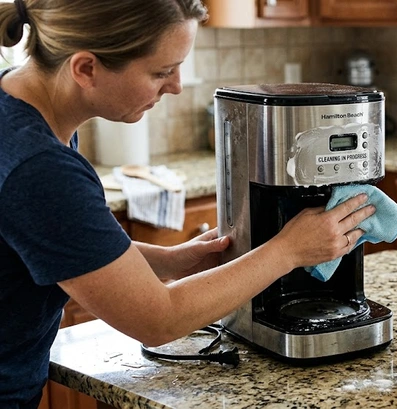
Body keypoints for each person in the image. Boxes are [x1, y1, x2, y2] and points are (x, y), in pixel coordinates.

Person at [0, 1, 375, 408]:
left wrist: (170, 260)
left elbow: (62, 245)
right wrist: (288, 250)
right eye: (161, 71)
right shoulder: (39, 167)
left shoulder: (20, 109)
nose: (176, 85)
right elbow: (158, 320)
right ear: (86, 69)